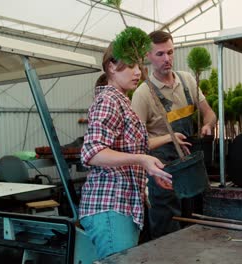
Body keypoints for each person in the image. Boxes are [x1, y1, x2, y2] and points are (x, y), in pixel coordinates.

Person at [79, 42, 190, 259]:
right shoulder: (109, 100)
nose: (138, 72)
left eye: (139, 66)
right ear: (112, 66)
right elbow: (92, 152)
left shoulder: (122, 101)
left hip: (124, 205)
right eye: (131, 66)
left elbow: (135, 145)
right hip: (110, 205)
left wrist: (163, 147)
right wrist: (142, 160)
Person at [131, 30, 217, 239]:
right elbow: (136, 144)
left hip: (191, 163)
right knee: (167, 226)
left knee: (196, 219)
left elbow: (210, 113)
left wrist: (208, 125)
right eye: (160, 54)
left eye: (170, 52)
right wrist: (169, 137)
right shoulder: (142, 94)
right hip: (163, 171)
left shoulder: (187, 80)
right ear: (148, 56)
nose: (167, 59)